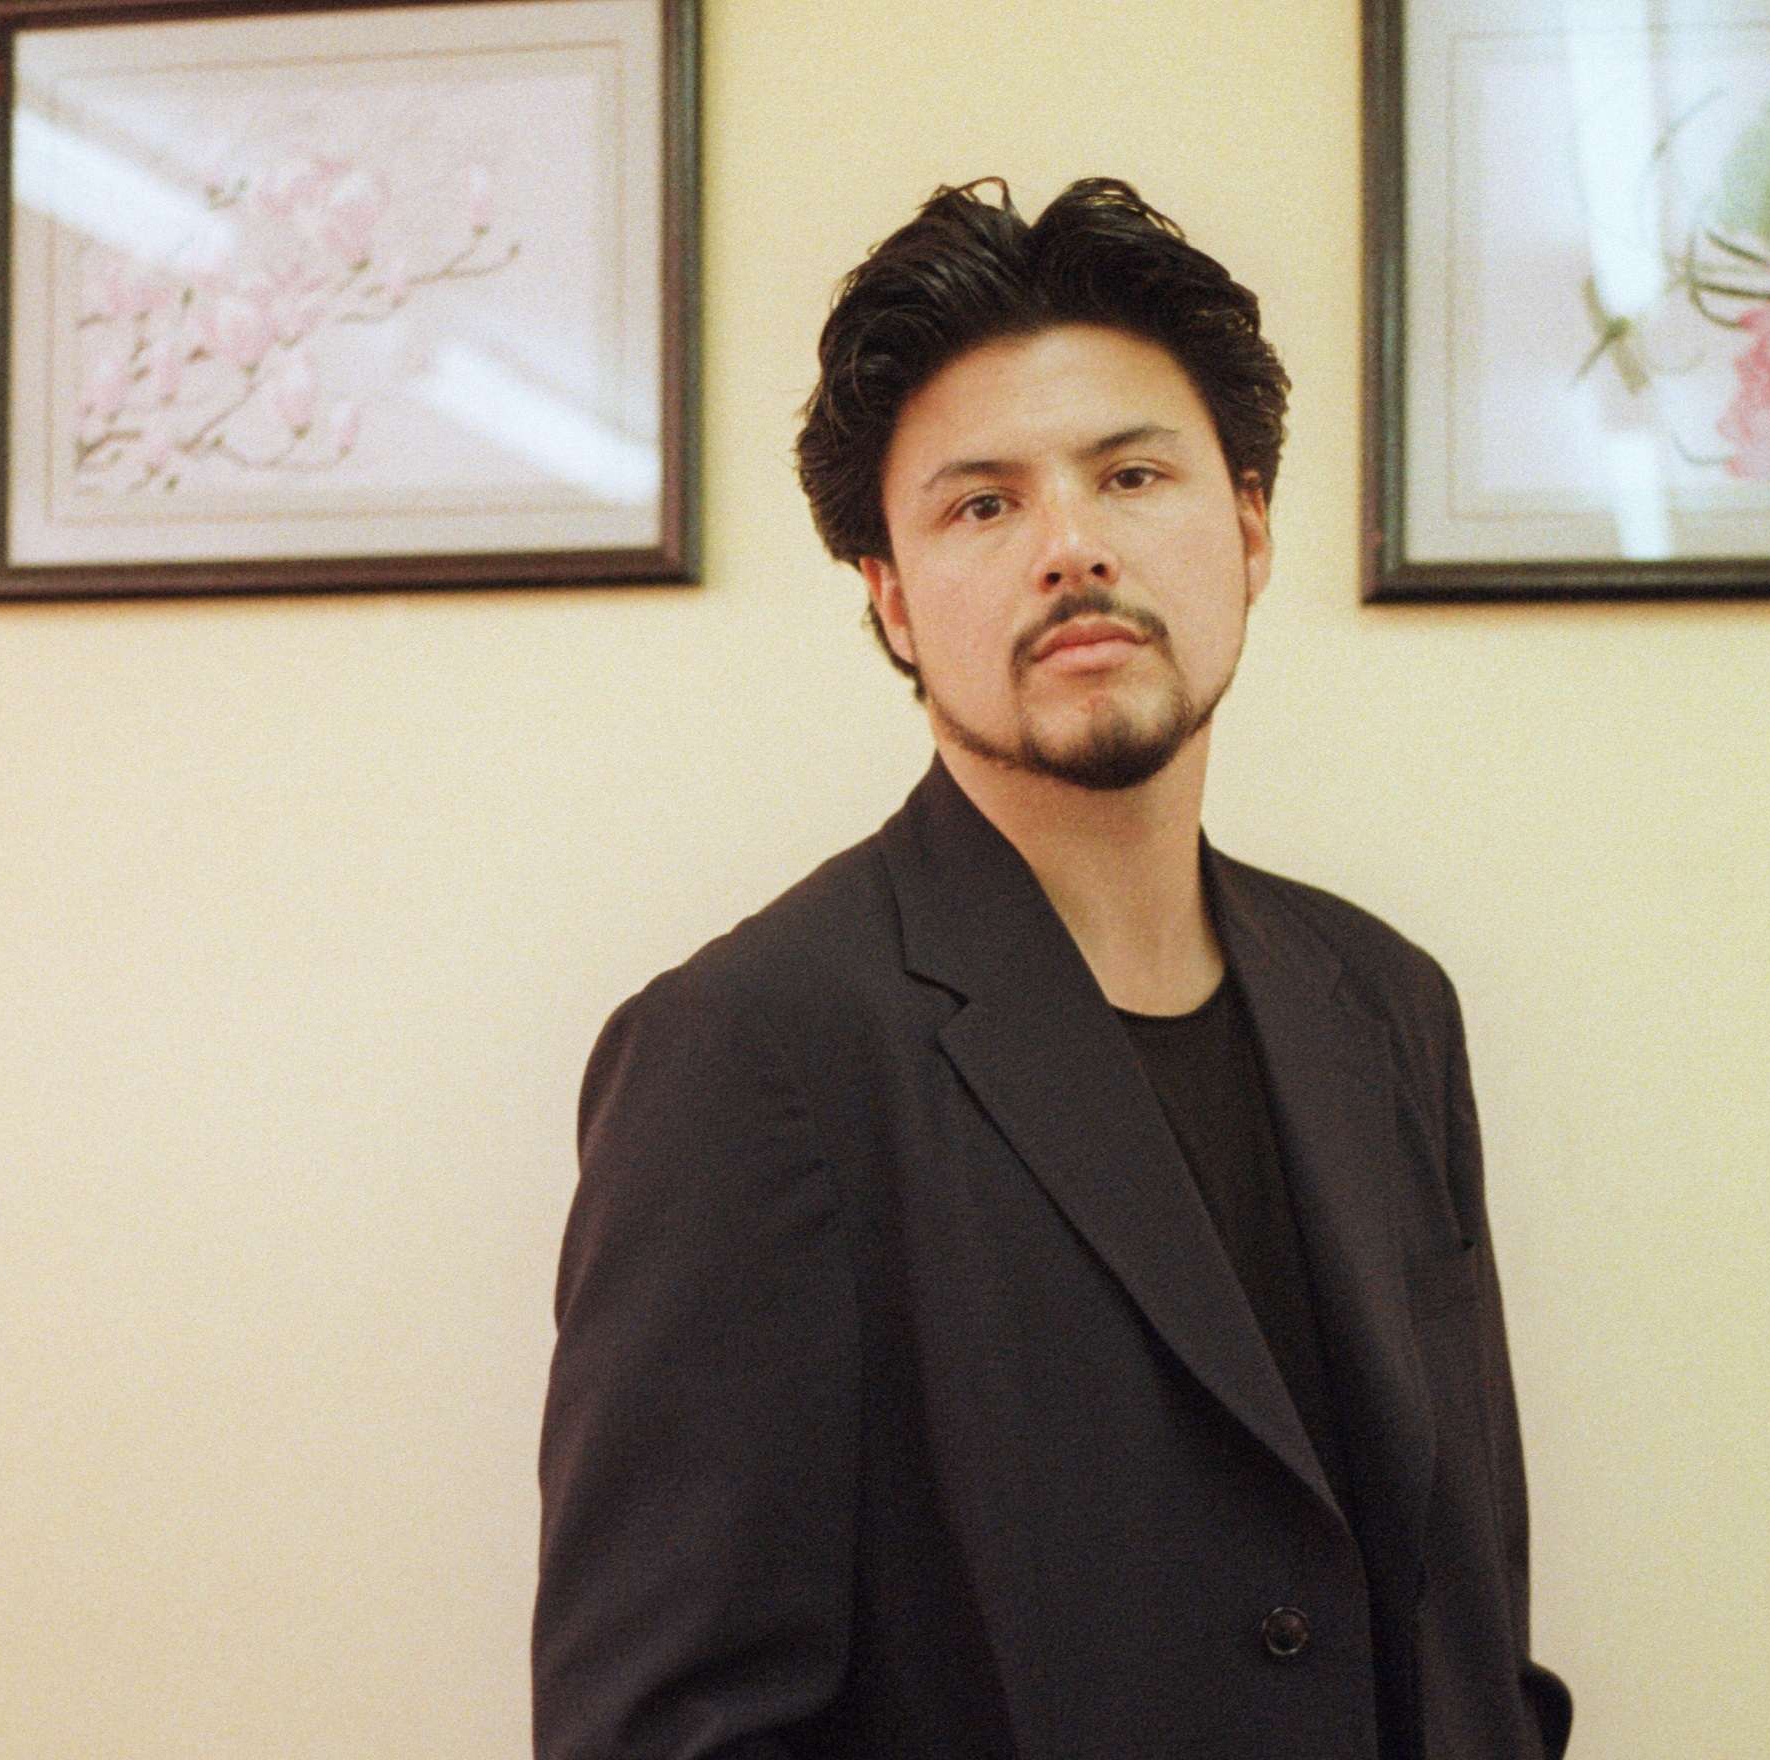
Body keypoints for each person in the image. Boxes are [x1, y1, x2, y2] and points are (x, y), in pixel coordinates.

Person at [533, 177, 1571, 1760]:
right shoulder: (751, 1051)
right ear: (890, 600)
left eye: (1132, 474)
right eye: (982, 507)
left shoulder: (1385, 1003)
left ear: (1249, 527)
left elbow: (1469, 1613)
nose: (1071, 549)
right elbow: (666, 1729)